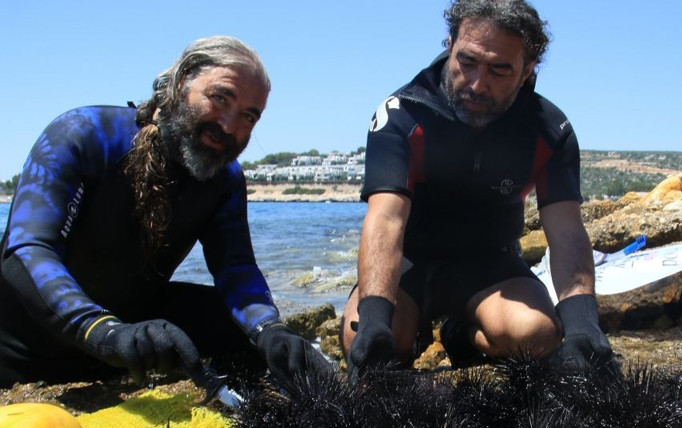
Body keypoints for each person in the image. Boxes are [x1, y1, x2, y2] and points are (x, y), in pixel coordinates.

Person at [0, 36, 330, 388]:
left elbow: (236, 269)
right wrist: (104, 330)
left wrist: (271, 331)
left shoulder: (224, 179)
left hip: (128, 337)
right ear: (182, 81)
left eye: (249, 116)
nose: (230, 126)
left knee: (243, 332)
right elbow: (27, 251)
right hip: (26, 349)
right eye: (220, 98)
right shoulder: (83, 134)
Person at [341, 0, 614, 381]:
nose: (477, 84)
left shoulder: (550, 129)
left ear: (527, 70)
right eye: (466, 62)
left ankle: (461, 334)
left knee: (536, 335)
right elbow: (385, 219)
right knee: (366, 341)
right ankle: (412, 330)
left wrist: (584, 325)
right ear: (450, 43)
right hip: (410, 263)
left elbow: (566, 229)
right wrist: (373, 319)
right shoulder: (403, 113)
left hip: (489, 264)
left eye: (499, 70)